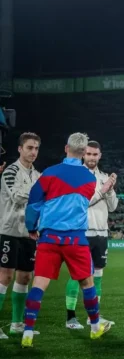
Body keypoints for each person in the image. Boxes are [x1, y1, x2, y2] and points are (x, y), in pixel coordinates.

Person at [21, 133, 112, 347]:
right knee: (87, 283)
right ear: (84, 152)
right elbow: (83, 200)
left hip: (49, 237)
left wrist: (32, 227)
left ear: (66, 148)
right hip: (76, 239)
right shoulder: (90, 179)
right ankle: (95, 327)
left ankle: (28, 332)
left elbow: (33, 203)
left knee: (39, 284)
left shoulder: (49, 173)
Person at [66, 141, 118, 330]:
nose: (92, 157)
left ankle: (93, 317)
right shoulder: (76, 176)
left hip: (101, 233)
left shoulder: (104, 177)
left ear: (100, 155)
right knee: (77, 275)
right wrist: (101, 191)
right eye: (88, 154)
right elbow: (79, 204)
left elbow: (113, 207)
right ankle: (70, 318)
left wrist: (109, 190)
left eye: (95, 154)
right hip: (81, 232)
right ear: (83, 154)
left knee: (98, 274)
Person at [0, 132, 41, 339]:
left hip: (29, 233)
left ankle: (17, 323)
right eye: (29, 148)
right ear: (20, 149)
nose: (33, 152)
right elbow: (16, 197)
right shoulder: (11, 171)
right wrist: (40, 194)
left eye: (36, 148)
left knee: (25, 277)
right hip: (9, 231)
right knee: (5, 276)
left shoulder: (38, 175)